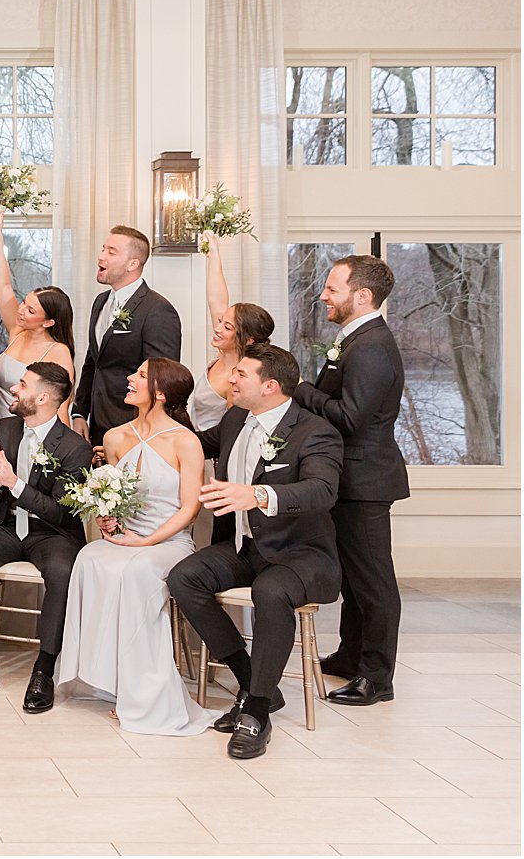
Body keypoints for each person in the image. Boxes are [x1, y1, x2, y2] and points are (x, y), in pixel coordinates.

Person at [169, 343, 344, 759]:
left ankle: (258, 712)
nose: (230, 378)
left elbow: (323, 490)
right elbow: (193, 443)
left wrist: (258, 494)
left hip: (301, 554)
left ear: (270, 386)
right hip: (245, 548)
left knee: (271, 592)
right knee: (183, 577)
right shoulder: (234, 420)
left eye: (240, 374)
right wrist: (138, 439)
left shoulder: (315, 431)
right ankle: (251, 682)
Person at [55, 358, 213, 736]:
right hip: (127, 536)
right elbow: (113, 496)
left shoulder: (185, 441)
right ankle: (100, 677)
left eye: (140, 376)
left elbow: (190, 509)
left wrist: (147, 540)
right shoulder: (113, 437)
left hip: (169, 540)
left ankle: (142, 692)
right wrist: (107, 518)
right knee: (89, 557)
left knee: (136, 569)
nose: (129, 378)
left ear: (160, 392)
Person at [293, 254, 407, 706]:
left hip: (366, 481)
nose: (323, 296)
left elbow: (351, 418)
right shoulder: (356, 340)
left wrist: (299, 387)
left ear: (362, 296)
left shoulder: (372, 346)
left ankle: (377, 677)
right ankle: (351, 655)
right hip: (351, 478)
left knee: (374, 582)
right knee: (355, 579)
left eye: (332, 289)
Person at [0, 362, 92, 710]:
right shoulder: (5, 428)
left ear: (43, 397)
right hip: (6, 525)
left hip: (52, 534)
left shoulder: (75, 448)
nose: (14, 390)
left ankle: (44, 670)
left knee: (62, 572)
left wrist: (13, 481)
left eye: (22, 384)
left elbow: (62, 512)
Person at [71, 226, 182, 447]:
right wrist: (79, 413)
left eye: (112, 252)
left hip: (134, 430)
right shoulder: (100, 302)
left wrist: (138, 431)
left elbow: (160, 378)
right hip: (97, 426)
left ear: (133, 264)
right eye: (103, 249)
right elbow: (93, 362)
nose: (101, 256)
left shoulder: (158, 310)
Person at [0, 211, 76, 423]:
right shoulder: (17, 331)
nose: (21, 310)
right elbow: (2, 284)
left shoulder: (58, 352)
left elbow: (61, 407)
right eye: (25, 302)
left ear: (48, 322)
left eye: (31, 310)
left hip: (32, 434)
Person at [189, 235, 275, 431]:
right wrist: (214, 256)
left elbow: (230, 432)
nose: (218, 329)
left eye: (227, 327)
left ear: (248, 339)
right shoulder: (223, 354)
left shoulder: (239, 378)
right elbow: (216, 300)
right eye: (221, 322)